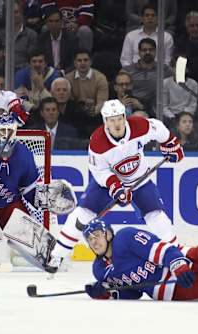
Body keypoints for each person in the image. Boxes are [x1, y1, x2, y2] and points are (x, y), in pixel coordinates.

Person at [45, 99, 185, 273]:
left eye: (119, 118)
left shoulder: (139, 126)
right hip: (107, 185)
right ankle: (58, 255)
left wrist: (171, 145)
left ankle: (176, 255)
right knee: (83, 213)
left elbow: (159, 128)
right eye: (112, 120)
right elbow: (99, 171)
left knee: (156, 214)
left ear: (124, 117)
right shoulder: (97, 141)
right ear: (105, 121)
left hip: (139, 179)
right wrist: (116, 187)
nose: (116, 123)